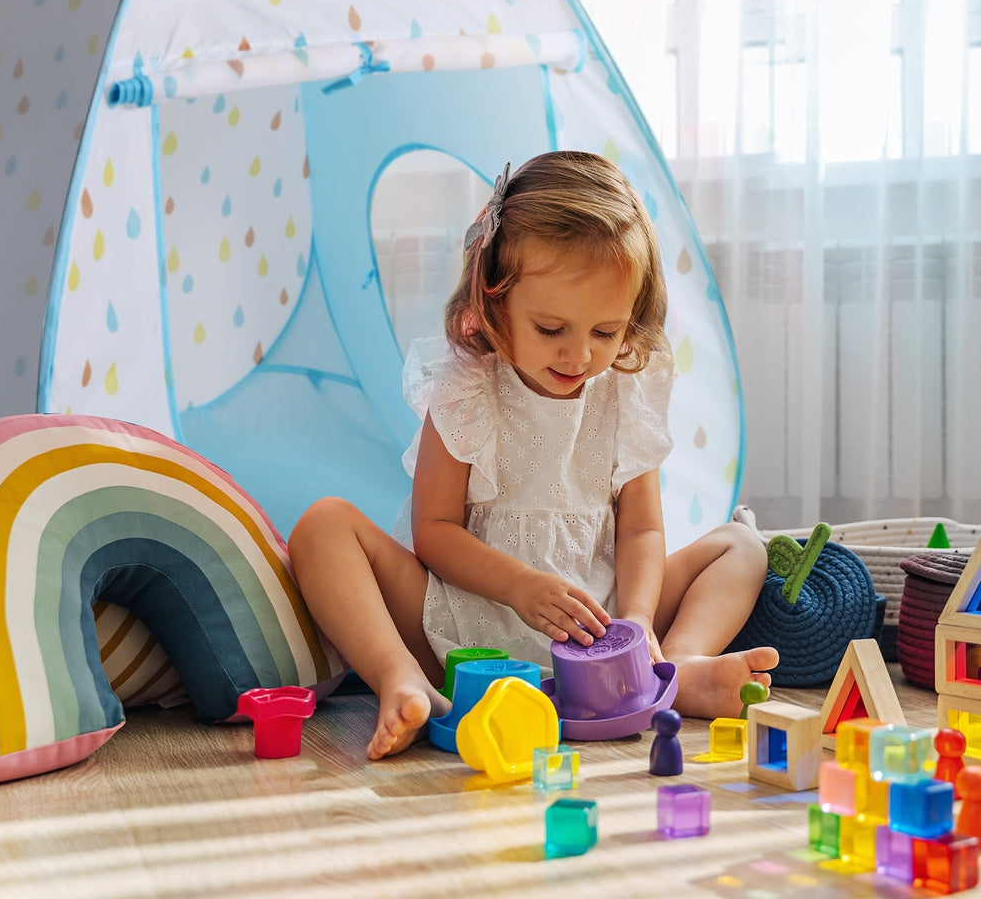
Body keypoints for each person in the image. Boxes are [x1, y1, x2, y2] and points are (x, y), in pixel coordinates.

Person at [288, 151, 778, 760]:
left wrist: (637, 621)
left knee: (741, 547)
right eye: (551, 329)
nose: (579, 356)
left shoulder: (628, 389)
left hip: (599, 624)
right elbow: (433, 532)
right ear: (496, 303)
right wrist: (519, 586)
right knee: (323, 526)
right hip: (467, 624)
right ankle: (401, 677)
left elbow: (643, 529)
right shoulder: (467, 388)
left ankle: (669, 669)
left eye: (605, 332)